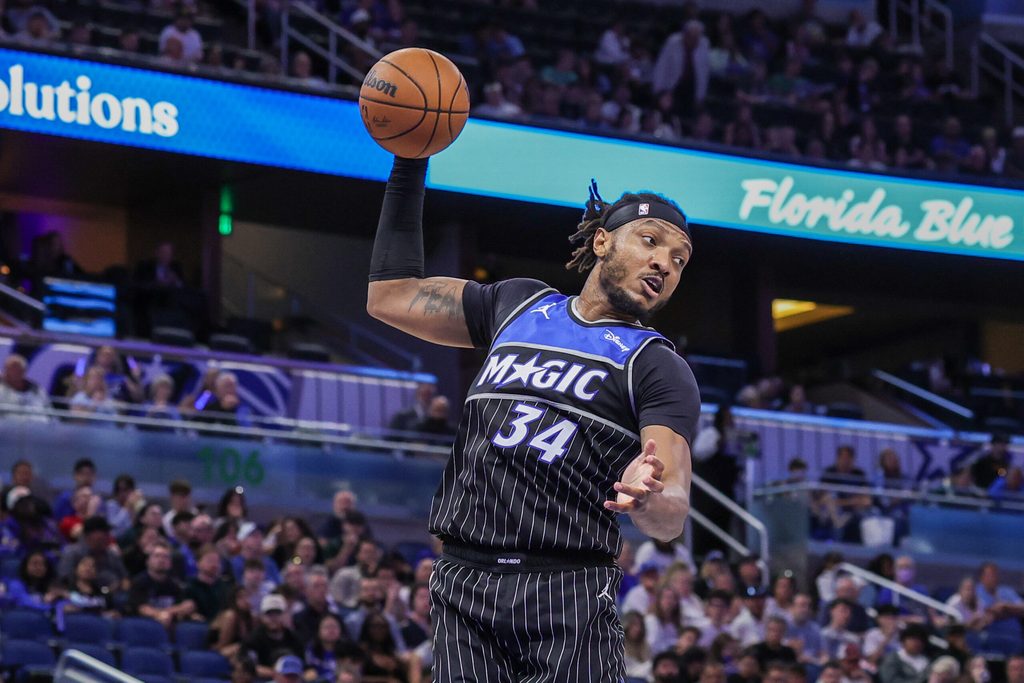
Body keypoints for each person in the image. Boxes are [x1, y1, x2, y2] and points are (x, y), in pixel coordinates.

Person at [367, 160, 699, 680]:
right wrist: (409, 163)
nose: (665, 264)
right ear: (602, 243)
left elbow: (673, 510)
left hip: (567, 592)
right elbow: (390, 296)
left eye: (679, 260)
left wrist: (652, 498)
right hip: (464, 582)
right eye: (651, 241)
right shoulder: (518, 305)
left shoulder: (656, 365)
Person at [127, 540, 195, 626]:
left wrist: (166, 613)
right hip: (142, 626)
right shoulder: (139, 582)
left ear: (170, 563)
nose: (161, 560)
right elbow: (142, 608)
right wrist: (160, 614)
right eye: (157, 556)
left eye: (165, 557)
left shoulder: (174, 584)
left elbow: (187, 605)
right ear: (148, 561)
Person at [0, 354, 51, 420]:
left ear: (23, 371)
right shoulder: (1, 390)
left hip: (41, 427)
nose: (8, 373)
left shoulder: (37, 390)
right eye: (7, 369)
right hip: (10, 428)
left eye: (15, 370)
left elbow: (49, 411)